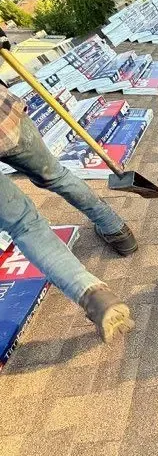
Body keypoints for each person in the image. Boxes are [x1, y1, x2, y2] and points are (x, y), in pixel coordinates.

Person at [0, 27, 135, 342]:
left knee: (24, 225)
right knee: (56, 174)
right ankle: (117, 230)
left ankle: (93, 295)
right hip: (5, 122)